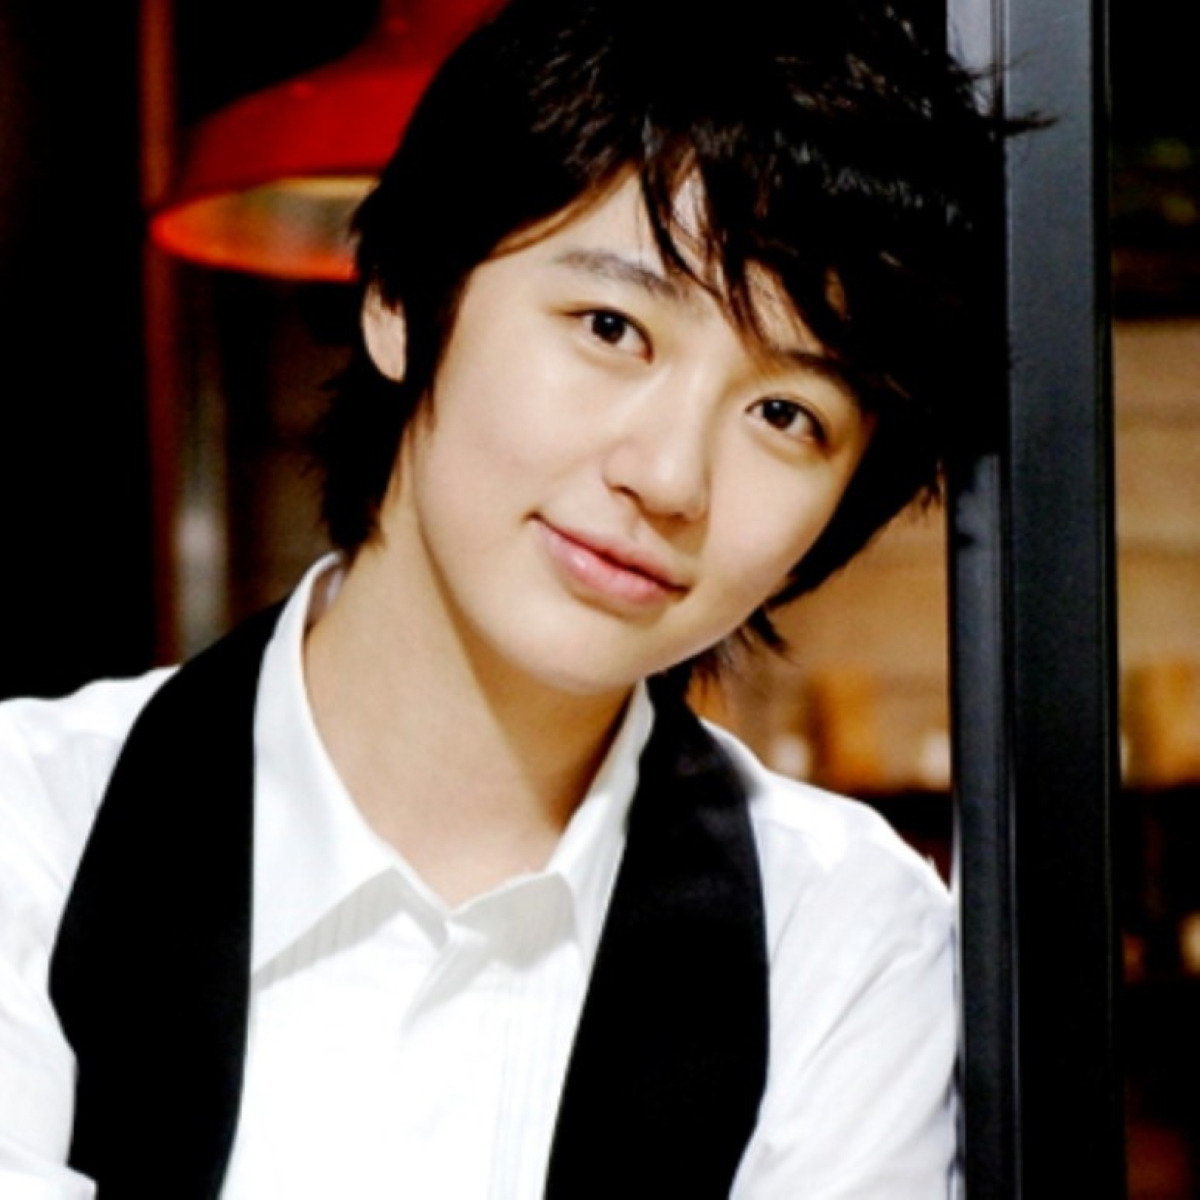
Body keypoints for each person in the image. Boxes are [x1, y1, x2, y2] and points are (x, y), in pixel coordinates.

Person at [0, 0, 1000, 1195]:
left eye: (785, 413)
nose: (669, 478)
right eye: (612, 327)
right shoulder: (32, 833)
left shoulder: (841, 942)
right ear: (401, 296)